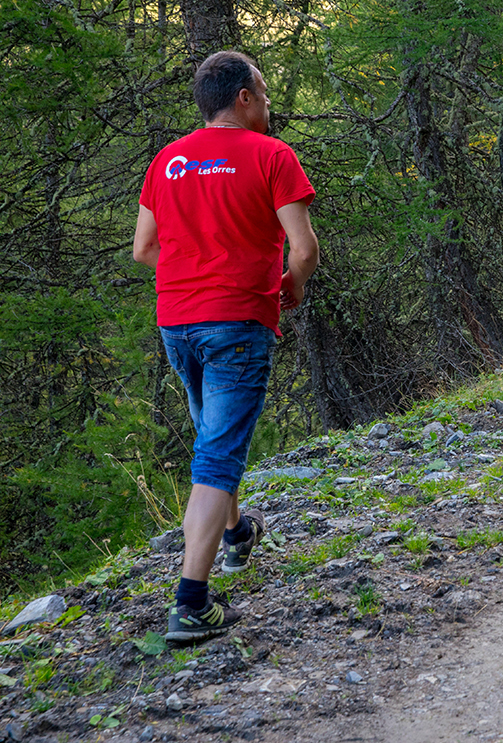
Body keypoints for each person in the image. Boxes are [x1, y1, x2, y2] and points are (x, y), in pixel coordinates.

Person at [133, 51, 319, 644]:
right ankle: (191, 602)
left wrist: (194, 270)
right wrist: (289, 284)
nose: (268, 103)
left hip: (177, 322)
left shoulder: (168, 159)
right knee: (217, 456)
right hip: (236, 319)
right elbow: (304, 248)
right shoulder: (272, 155)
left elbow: (144, 249)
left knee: (213, 437)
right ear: (243, 97)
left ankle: (238, 535)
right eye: (263, 93)